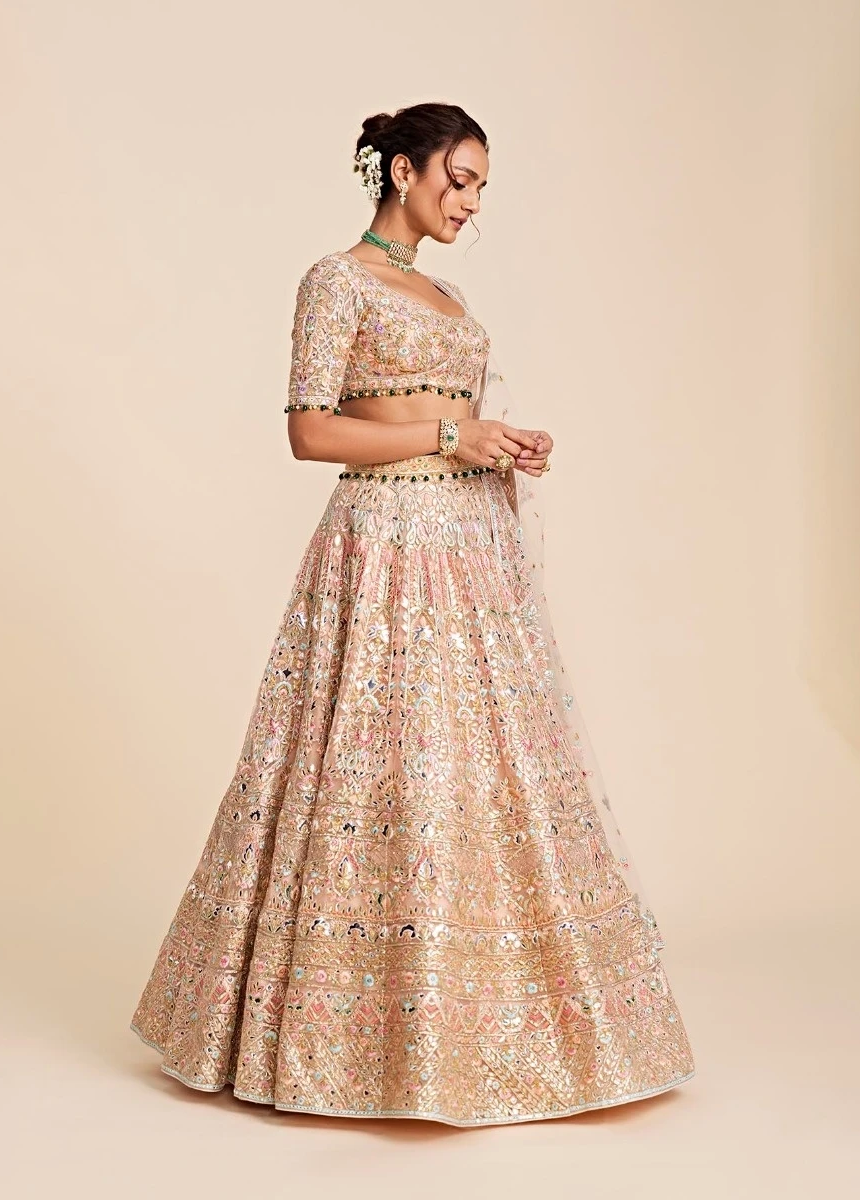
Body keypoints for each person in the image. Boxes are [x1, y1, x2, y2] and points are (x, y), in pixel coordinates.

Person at [130, 101, 696, 1127]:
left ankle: (486, 1028)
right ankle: (348, 1037)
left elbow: (449, 421)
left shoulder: (448, 294)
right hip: (385, 542)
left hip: (470, 548)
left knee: (477, 767)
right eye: (459, 179)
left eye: (481, 188)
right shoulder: (336, 281)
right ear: (402, 170)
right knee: (379, 763)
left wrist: (499, 442)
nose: (470, 203)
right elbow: (310, 431)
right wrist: (447, 435)